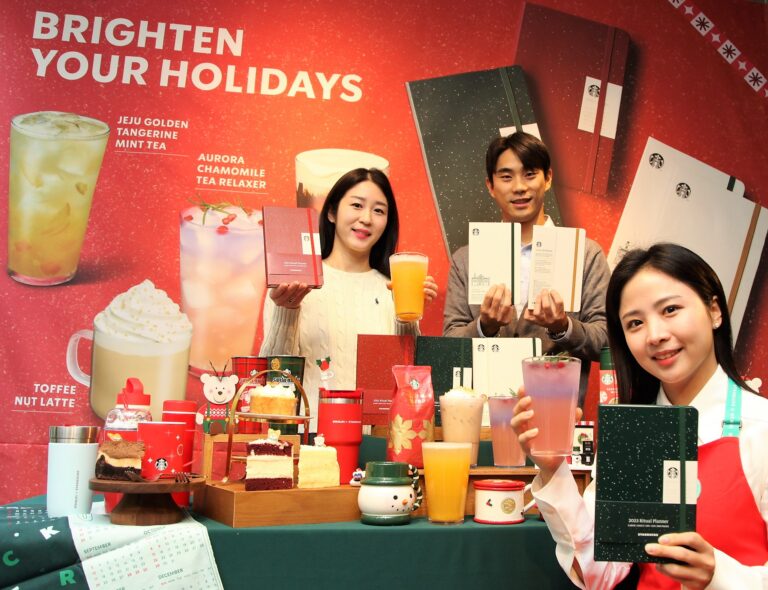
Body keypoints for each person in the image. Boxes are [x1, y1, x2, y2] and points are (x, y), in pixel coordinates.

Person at [512, 243, 768, 589]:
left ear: (714, 311)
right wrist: (551, 468)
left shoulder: (760, 426)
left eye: (671, 309)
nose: (656, 335)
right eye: (635, 323)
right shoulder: (632, 434)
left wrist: (718, 575)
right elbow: (600, 574)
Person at [260, 168, 437, 428]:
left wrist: (407, 317)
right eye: (357, 205)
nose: (366, 218)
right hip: (311, 439)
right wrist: (287, 310)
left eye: (379, 210)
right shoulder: (295, 284)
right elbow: (274, 378)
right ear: (332, 212)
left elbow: (409, 384)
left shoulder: (392, 288)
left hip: (376, 441)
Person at [443, 132, 610, 403]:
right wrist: (484, 327)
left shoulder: (585, 254)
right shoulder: (466, 260)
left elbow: (606, 341)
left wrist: (563, 327)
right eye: (506, 177)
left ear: (548, 178)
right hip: (484, 414)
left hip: (557, 412)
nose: (519, 187)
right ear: (490, 185)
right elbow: (449, 344)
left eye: (530, 174)